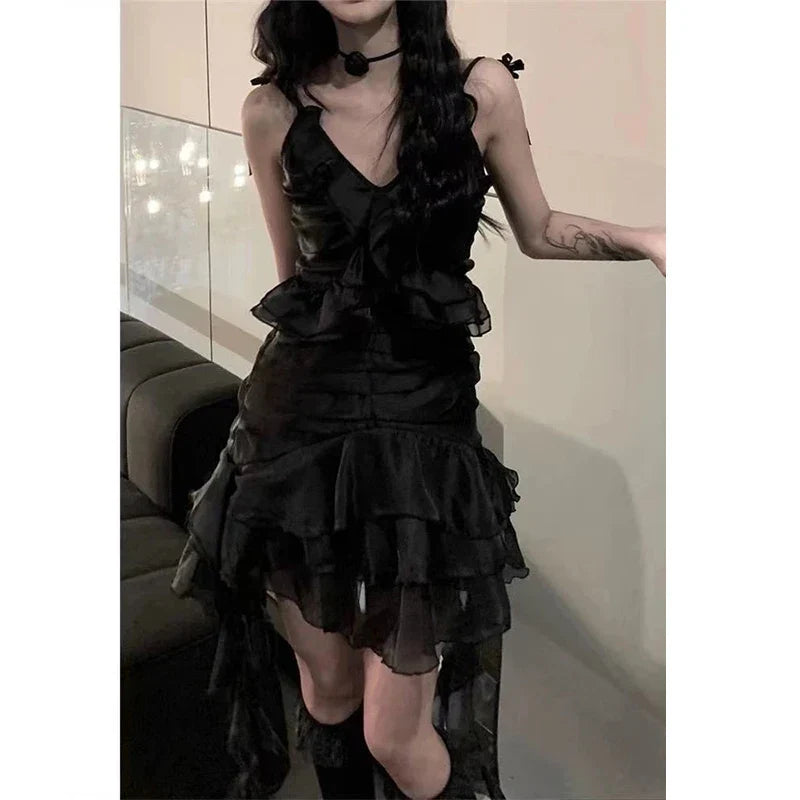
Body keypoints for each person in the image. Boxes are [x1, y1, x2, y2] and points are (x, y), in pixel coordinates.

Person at [171, 1, 667, 799]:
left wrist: (647, 239)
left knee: (395, 732)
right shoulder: (271, 110)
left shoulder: (482, 91)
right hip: (299, 425)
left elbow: (539, 228)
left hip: (424, 425)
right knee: (328, 688)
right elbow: (295, 284)